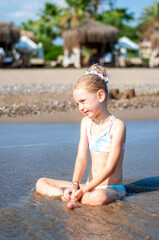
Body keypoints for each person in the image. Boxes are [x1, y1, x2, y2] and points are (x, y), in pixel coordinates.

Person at [36, 64, 126, 209]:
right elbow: (81, 158)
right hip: (87, 186)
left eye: (83, 101)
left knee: (99, 197)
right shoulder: (85, 123)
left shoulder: (117, 126)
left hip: (111, 189)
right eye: (77, 103)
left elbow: (110, 166)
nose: (80, 108)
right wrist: (75, 184)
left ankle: (74, 198)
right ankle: (71, 196)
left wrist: (83, 189)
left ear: (100, 96)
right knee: (41, 182)